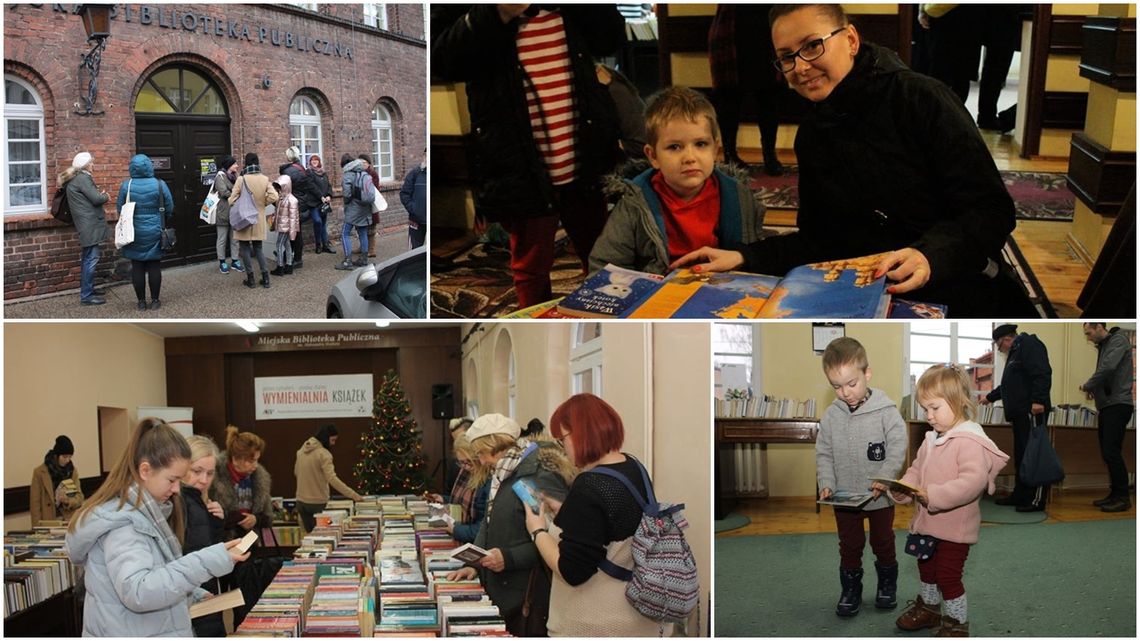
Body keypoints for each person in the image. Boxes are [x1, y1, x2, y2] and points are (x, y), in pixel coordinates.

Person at [671, 4, 1037, 318]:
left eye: (812, 46)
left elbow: (990, 210)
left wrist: (929, 257)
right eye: (786, 57)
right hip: (867, 293)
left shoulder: (922, 99)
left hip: (954, 281)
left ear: (850, 40)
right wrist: (742, 257)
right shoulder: (813, 134)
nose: (800, 67)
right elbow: (819, 241)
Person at [431, 4, 624, 309]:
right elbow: (442, 59)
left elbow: (609, 36)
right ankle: (535, 326)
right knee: (531, 264)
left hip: (584, 149)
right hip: (517, 159)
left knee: (603, 254)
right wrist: (498, 12)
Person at [64, 418, 249, 636]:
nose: (177, 489)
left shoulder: (147, 512)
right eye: (172, 480)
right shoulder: (125, 525)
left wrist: (190, 592)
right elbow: (139, 591)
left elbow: (155, 572)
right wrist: (206, 561)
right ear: (145, 470)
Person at [524, 393, 668, 636]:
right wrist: (564, 509)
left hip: (597, 622)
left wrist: (537, 530)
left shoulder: (590, 484)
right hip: (641, 617)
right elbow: (613, 521)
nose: (562, 448)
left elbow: (572, 571)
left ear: (582, 434)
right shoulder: (634, 467)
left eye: (562, 439)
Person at [589, 86, 764, 276]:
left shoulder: (739, 197)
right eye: (674, 147)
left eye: (700, 144)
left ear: (715, 149)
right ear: (653, 156)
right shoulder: (634, 203)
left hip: (721, 289)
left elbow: (753, 255)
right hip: (656, 294)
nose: (689, 157)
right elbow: (605, 267)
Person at [892, 365, 1009, 637]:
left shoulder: (969, 441)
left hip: (955, 529)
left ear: (958, 402)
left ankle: (957, 625)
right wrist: (903, 488)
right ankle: (930, 611)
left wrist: (933, 495)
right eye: (925, 409)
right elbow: (916, 470)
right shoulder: (930, 440)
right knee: (926, 570)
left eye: (934, 408)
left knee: (947, 576)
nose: (929, 416)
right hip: (926, 525)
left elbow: (972, 483)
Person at [445, 413, 574, 636]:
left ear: (493, 444)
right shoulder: (503, 472)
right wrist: (473, 564)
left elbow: (551, 539)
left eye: (482, 453)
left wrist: (508, 557)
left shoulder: (535, 477)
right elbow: (488, 520)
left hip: (524, 593)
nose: (482, 461)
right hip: (500, 588)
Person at [816, 337, 906, 616]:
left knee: (883, 542)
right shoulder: (831, 417)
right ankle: (851, 589)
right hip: (844, 498)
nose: (844, 392)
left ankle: (886, 586)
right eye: (836, 386)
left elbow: (898, 447)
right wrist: (827, 484)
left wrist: (886, 476)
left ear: (867, 374)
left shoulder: (887, 412)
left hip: (879, 497)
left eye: (851, 384)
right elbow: (824, 454)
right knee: (850, 546)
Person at [981, 323, 1052, 512]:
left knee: (1034, 455)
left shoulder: (1029, 345)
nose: (999, 349)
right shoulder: (1016, 353)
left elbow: (1042, 373)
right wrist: (989, 397)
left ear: (1006, 339)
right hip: (1020, 414)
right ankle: (1021, 495)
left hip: (1031, 411)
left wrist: (1038, 400)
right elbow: (1010, 385)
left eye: (998, 345)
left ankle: (1036, 500)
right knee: (1022, 456)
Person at [708, 4, 785, 174]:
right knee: (729, 97)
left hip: (767, 29)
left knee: (769, 96)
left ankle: (770, 155)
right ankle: (730, 155)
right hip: (733, 28)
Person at [1079, 323, 1134, 513]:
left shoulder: (1118, 340)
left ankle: (1123, 498)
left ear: (1100, 327)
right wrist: (1095, 390)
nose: (1088, 337)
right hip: (1108, 406)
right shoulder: (1105, 345)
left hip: (1118, 405)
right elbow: (1108, 373)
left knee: (1111, 452)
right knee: (1108, 452)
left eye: (1089, 333)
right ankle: (1114, 494)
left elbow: (1109, 367)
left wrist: (1088, 385)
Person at [181, 435, 227, 637]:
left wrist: (217, 523)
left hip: (206, 590)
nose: (204, 480)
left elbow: (207, 545)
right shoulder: (179, 502)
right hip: (192, 593)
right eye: (196, 471)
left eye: (210, 473)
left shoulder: (201, 501)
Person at [117, 153, 174, 311]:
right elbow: (169, 207)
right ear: (149, 166)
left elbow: (120, 208)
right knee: (154, 265)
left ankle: (141, 302)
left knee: (137, 266)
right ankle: (155, 300)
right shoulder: (159, 184)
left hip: (133, 232)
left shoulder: (126, 185)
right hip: (155, 229)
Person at [60, 151, 110, 306]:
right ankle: (86, 296)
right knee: (91, 259)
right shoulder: (83, 178)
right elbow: (96, 199)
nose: (93, 164)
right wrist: (105, 196)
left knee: (88, 258)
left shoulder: (76, 178)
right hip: (89, 224)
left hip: (85, 223)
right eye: (91, 162)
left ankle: (89, 289)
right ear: (86, 164)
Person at [294, 424, 364, 532]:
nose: (333, 443)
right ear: (325, 437)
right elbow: (332, 479)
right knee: (325, 536)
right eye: (332, 440)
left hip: (301, 502)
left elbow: (296, 472)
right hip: (318, 504)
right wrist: (354, 496)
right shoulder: (324, 454)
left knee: (311, 538)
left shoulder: (301, 451)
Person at [211, 425, 273, 541]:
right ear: (235, 458)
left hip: (250, 543)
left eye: (257, 460)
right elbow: (208, 518)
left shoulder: (260, 478)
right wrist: (237, 519)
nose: (255, 465)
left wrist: (255, 519)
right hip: (222, 544)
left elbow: (268, 517)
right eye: (251, 461)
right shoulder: (213, 476)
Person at [228, 153, 279, 289]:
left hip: (244, 218)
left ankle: (250, 279)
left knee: (244, 248)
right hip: (258, 218)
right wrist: (262, 204)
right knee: (258, 248)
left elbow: (231, 199)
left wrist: (243, 204)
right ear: (257, 163)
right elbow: (274, 196)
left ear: (246, 163)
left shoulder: (241, 179)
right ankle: (265, 278)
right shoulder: (264, 178)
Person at [433, 435, 490, 544]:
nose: (465, 467)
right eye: (461, 462)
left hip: (473, 543)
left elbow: (483, 528)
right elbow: (461, 501)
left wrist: (455, 529)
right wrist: (443, 499)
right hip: (460, 535)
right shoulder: (465, 473)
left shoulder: (487, 481)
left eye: (469, 462)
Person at [30, 435, 84, 526]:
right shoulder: (40, 472)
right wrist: (37, 528)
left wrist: (68, 501)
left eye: (70, 457)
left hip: (68, 519)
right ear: (56, 455)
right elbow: (35, 504)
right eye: (64, 457)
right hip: (48, 520)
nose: (67, 460)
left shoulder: (72, 471)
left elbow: (79, 497)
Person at [279, 146, 318, 269]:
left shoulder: (289, 172)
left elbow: (283, 189)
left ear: (288, 156)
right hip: (302, 202)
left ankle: (294, 258)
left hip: (292, 204)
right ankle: (293, 257)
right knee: (296, 231)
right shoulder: (303, 169)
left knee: (292, 232)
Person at [337, 154, 373, 270]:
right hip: (365, 208)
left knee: (345, 233)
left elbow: (347, 195)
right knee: (362, 232)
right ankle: (363, 259)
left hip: (353, 208)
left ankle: (348, 261)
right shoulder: (363, 173)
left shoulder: (348, 174)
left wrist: (347, 202)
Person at [212, 155, 244, 275]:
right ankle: (222, 262)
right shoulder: (220, 177)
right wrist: (237, 194)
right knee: (222, 238)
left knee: (234, 238)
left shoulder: (235, 176)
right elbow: (224, 192)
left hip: (235, 211)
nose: (237, 165)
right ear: (229, 165)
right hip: (224, 212)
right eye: (235, 164)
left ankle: (235, 260)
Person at [270, 174, 300, 276]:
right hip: (283, 226)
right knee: (287, 245)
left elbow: (293, 219)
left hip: (285, 228)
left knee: (279, 245)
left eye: (280, 186)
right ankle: (289, 265)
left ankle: (280, 267)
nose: (278, 189)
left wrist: (293, 234)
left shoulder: (292, 200)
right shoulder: (282, 198)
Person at [307, 154, 335, 254]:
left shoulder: (323, 173)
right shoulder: (309, 172)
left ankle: (325, 245)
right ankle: (318, 244)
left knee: (323, 224)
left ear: (319, 162)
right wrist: (321, 197)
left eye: (316, 160)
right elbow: (311, 186)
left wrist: (329, 195)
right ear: (309, 162)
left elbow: (329, 186)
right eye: (312, 160)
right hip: (314, 203)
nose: (314, 161)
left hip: (324, 204)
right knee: (317, 221)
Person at [400, 149, 427, 249]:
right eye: (426, 155)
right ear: (424, 156)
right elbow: (404, 193)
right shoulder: (415, 174)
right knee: (414, 251)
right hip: (416, 220)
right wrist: (413, 208)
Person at [359, 154, 382, 258]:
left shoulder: (373, 174)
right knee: (361, 227)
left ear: (368, 164)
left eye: (364, 162)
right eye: (361, 163)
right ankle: (362, 246)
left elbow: (374, 189)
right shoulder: (359, 173)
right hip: (361, 205)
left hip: (371, 204)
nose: (363, 164)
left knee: (371, 228)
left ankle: (371, 250)